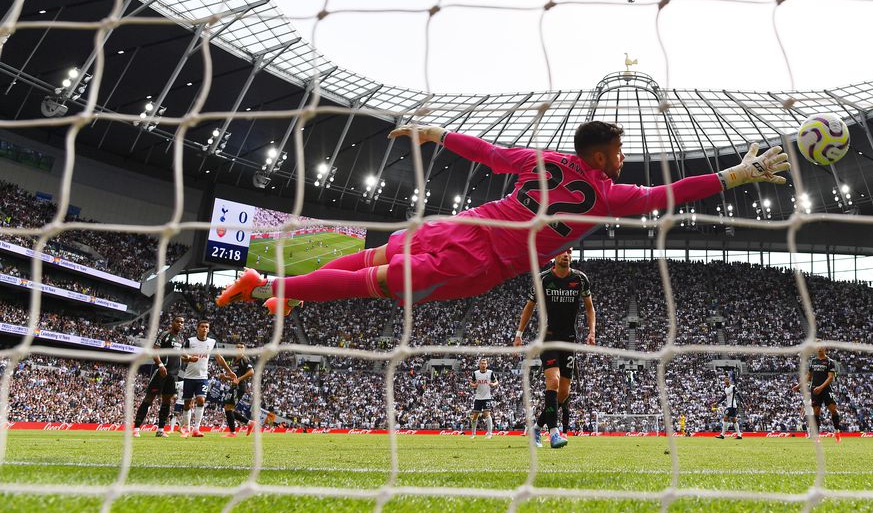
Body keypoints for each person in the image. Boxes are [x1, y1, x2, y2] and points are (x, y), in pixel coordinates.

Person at [217, 122, 788, 314]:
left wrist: (436, 133)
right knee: (375, 283)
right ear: (598, 156)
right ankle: (268, 284)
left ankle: (287, 290)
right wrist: (737, 176)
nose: (622, 157)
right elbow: (668, 194)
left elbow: (488, 153)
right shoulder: (610, 196)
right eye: (616, 151)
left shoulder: (545, 162)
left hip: (462, 222)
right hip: (481, 257)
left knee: (373, 256)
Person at [514, 248, 595, 449]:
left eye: (570, 251)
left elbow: (589, 307)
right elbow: (529, 306)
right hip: (547, 338)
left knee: (564, 393)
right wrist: (519, 334)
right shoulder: (543, 279)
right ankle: (554, 433)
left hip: (569, 341)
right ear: (555, 256)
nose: (566, 254)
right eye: (562, 251)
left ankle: (537, 427)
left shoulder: (580, 279)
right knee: (554, 381)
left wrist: (592, 331)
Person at [179, 320, 235, 438]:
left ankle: (196, 429)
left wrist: (229, 371)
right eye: (202, 327)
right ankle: (187, 429)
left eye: (207, 327)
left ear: (208, 329)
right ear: (197, 328)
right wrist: (189, 358)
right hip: (189, 376)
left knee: (201, 400)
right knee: (187, 404)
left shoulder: (212, 342)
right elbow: (182, 356)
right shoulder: (190, 341)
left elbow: (219, 358)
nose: (204, 329)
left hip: (202, 377)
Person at [133, 314, 186, 438]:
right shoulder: (164, 334)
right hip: (161, 371)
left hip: (173, 375)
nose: (180, 324)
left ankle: (160, 430)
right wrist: (161, 365)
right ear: (173, 322)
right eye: (177, 321)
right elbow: (154, 350)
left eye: (182, 322)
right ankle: (136, 428)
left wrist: (189, 358)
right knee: (149, 398)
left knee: (167, 401)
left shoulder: (181, 339)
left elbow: (181, 355)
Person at [797, 347, 841, 441]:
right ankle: (816, 435)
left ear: (824, 348)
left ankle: (837, 431)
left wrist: (821, 387)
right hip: (815, 389)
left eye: (820, 347)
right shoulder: (813, 361)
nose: (818, 349)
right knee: (816, 411)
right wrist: (798, 386)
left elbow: (830, 378)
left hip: (826, 389)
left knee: (833, 410)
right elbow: (809, 376)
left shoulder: (830, 362)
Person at [222, 343, 255, 437]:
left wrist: (239, 380)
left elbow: (251, 372)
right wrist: (226, 377)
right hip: (234, 386)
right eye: (238, 347)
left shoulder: (244, 359)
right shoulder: (234, 360)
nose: (240, 349)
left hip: (240, 387)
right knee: (228, 408)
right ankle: (249, 423)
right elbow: (235, 377)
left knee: (228, 408)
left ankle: (233, 432)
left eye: (242, 347)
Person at [469, 358, 496, 439]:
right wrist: (473, 385)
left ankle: (490, 433)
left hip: (487, 397)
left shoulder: (490, 372)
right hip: (478, 397)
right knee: (475, 416)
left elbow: (496, 381)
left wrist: (493, 384)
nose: (483, 365)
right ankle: (473, 434)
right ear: (479, 364)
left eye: (485, 363)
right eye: (482, 363)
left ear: (487, 365)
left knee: (487, 414)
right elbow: (471, 382)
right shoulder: (475, 373)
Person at [715, 374, 742, 440]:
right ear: (724, 381)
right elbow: (724, 397)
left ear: (729, 381)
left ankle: (722, 435)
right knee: (734, 420)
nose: (726, 381)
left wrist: (743, 403)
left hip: (732, 406)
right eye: (725, 380)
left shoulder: (733, 387)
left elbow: (738, 395)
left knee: (725, 417)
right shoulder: (725, 388)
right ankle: (739, 435)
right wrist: (717, 403)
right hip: (729, 405)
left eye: (727, 380)